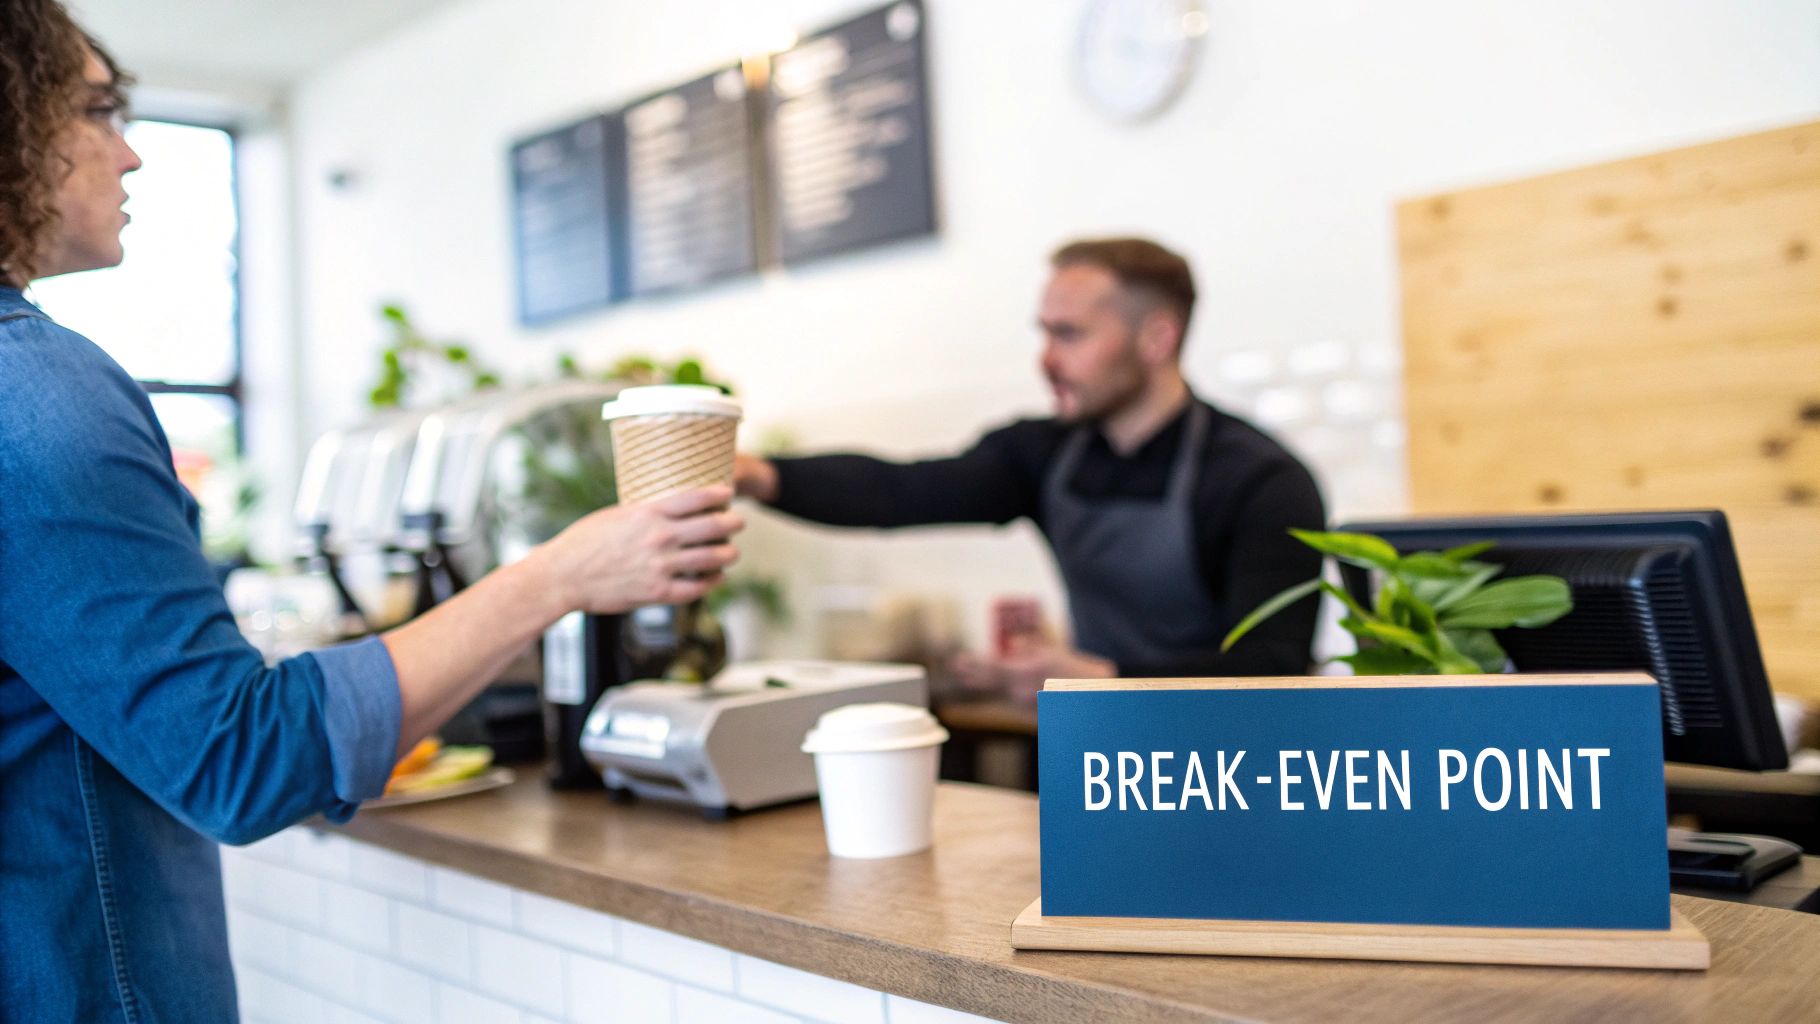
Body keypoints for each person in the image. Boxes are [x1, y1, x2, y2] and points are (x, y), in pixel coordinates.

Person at [0, 6, 742, 1019]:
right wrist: (562, 574)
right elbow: (240, 758)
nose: (130, 153)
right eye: (96, 110)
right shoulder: (35, 394)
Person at [736, 238, 1324, 700]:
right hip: (1100, 756)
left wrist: (1097, 676)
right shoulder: (1043, 454)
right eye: (1043, 332)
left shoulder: (1262, 481)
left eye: (1068, 334)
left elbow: (1273, 664)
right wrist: (757, 475)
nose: (1046, 359)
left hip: (1239, 767)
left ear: (1157, 338)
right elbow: (899, 491)